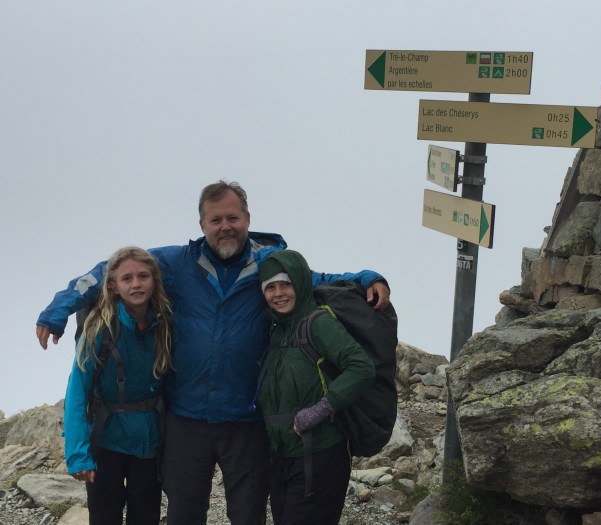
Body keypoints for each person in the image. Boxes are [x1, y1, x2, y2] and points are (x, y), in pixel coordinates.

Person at [36, 180, 390, 525]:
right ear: (201, 224)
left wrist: (366, 278)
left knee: (247, 515)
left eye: (233, 218)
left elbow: (315, 279)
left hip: (246, 421)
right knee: (184, 514)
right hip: (186, 419)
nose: (225, 227)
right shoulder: (176, 262)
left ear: (247, 219)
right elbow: (110, 270)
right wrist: (58, 310)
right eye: (216, 220)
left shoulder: (268, 264)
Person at [257, 250, 375, 525]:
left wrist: (321, 409)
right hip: (283, 458)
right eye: (270, 287)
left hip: (320, 455)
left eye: (286, 284)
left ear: (300, 284)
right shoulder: (277, 330)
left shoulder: (318, 323)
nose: (278, 294)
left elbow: (361, 367)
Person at [64, 246, 172, 525]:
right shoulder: (98, 329)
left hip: (148, 441)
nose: (136, 284)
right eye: (127, 278)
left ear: (154, 280)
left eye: (143, 276)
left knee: (146, 516)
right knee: (104, 516)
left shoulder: (165, 325)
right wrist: (78, 455)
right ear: (113, 286)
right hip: (105, 441)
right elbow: (77, 391)